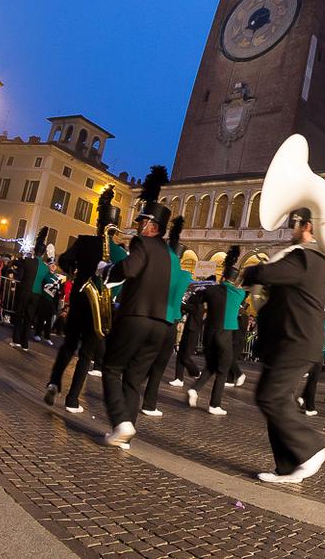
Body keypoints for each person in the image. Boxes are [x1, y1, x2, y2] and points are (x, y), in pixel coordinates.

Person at [243, 208, 325, 484]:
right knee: (277, 400)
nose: (291, 229)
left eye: (294, 224)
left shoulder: (304, 257)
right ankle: (286, 467)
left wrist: (250, 271)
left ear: (306, 226)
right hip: (289, 341)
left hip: (296, 341)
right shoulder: (316, 261)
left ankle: (312, 449)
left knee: (269, 397)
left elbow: (269, 274)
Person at [100, 166, 173, 448]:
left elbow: (130, 269)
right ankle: (126, 434)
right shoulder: (168, 253)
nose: (139, 224)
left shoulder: (142, 242)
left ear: (152, 226)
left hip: (136, 317)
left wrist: (108, 269)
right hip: (160, 325)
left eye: (143, 220)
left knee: (111, 368)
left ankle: (120, 421)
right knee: (134, 378)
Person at [45, 188, 126, 413]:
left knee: (69, 345)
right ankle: (72, 400)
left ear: (98, 223)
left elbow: (64, 260)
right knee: (87, 354)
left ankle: (54, 382)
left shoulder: (84, 242)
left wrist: (74, 271)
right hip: (100, 306)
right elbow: (123, 283)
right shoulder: (120, 253)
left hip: (80, 297)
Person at [140, 217, 191, 417]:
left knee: (142, 361)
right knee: (159, 366)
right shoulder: (185, 275)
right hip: (171, 319)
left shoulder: (158, 262)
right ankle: (149, 404)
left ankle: (130, 390)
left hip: (150, 314)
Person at [188, 246, 244, 415]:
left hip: (209, 333)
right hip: (225, 333)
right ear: (234, 280)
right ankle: (214, 404)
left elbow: (194, 298)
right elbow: (240, 289)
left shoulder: (211, 290)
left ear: (222, 276)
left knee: (212, 365)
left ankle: (195, 389)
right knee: (223, 369)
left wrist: (207, 287)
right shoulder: (239, 294)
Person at [12, 231, 50, 348]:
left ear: (34, 251)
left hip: (25, 290)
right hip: (36, 294)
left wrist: (22, 257)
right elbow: (46, 281)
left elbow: (16, 262)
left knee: (19, 315)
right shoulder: (45, 268)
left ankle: (16, 340)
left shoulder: (28, 261)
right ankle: (25, 343)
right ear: (43, 254)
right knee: (29, 318)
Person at [170, 280, 206, 386]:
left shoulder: (198, 306)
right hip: (189, 330)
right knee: (181, 354)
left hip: (193, 332)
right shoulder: (196, 305)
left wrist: (179, 300)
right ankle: (179, 378)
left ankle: (195, 372)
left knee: (185, 356)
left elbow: (185, 306)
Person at [298, 315, 325, 416]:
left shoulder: (307, 317)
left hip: (305, 350)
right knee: (313, 380)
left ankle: (302, 397)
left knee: (309, 379)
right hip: (317, 352)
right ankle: (310, 407)